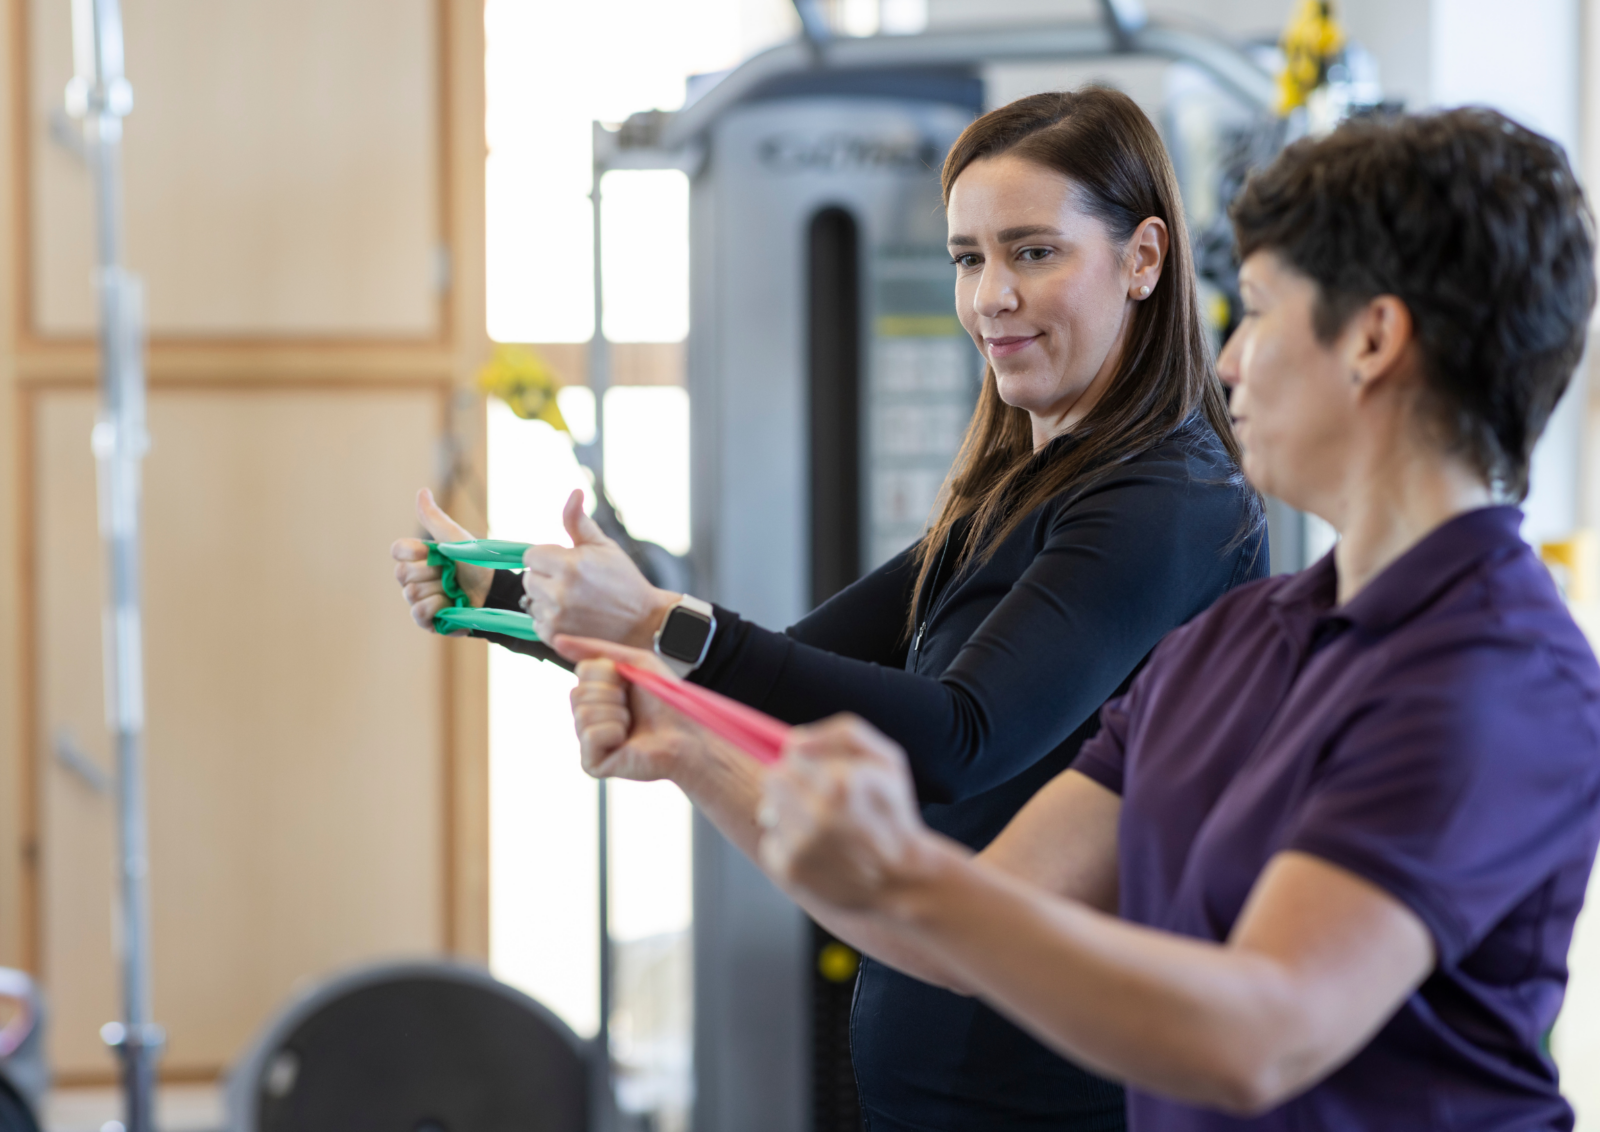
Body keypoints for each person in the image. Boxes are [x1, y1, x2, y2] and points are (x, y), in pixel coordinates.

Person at [568, 106, 1600, 1129]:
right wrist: (687, 748)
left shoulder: (1495, 678)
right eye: (969, 258)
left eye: (1259, 309)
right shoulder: (1232, 644)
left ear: (1372, 338)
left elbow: (1261, 1033)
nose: (1229, 361)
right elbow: (959, 933)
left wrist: (900, 862)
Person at [396, 88, 1265, 1129]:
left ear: (1142, 259)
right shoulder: (1013, 494)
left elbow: (957, 736)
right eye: (967, 258)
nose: (991, 295)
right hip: (936, 1076)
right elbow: (774, 676)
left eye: (1032, 252)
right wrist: (499, 594)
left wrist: (648, 621)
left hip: (1054, 1093)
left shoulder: (1171, 501)